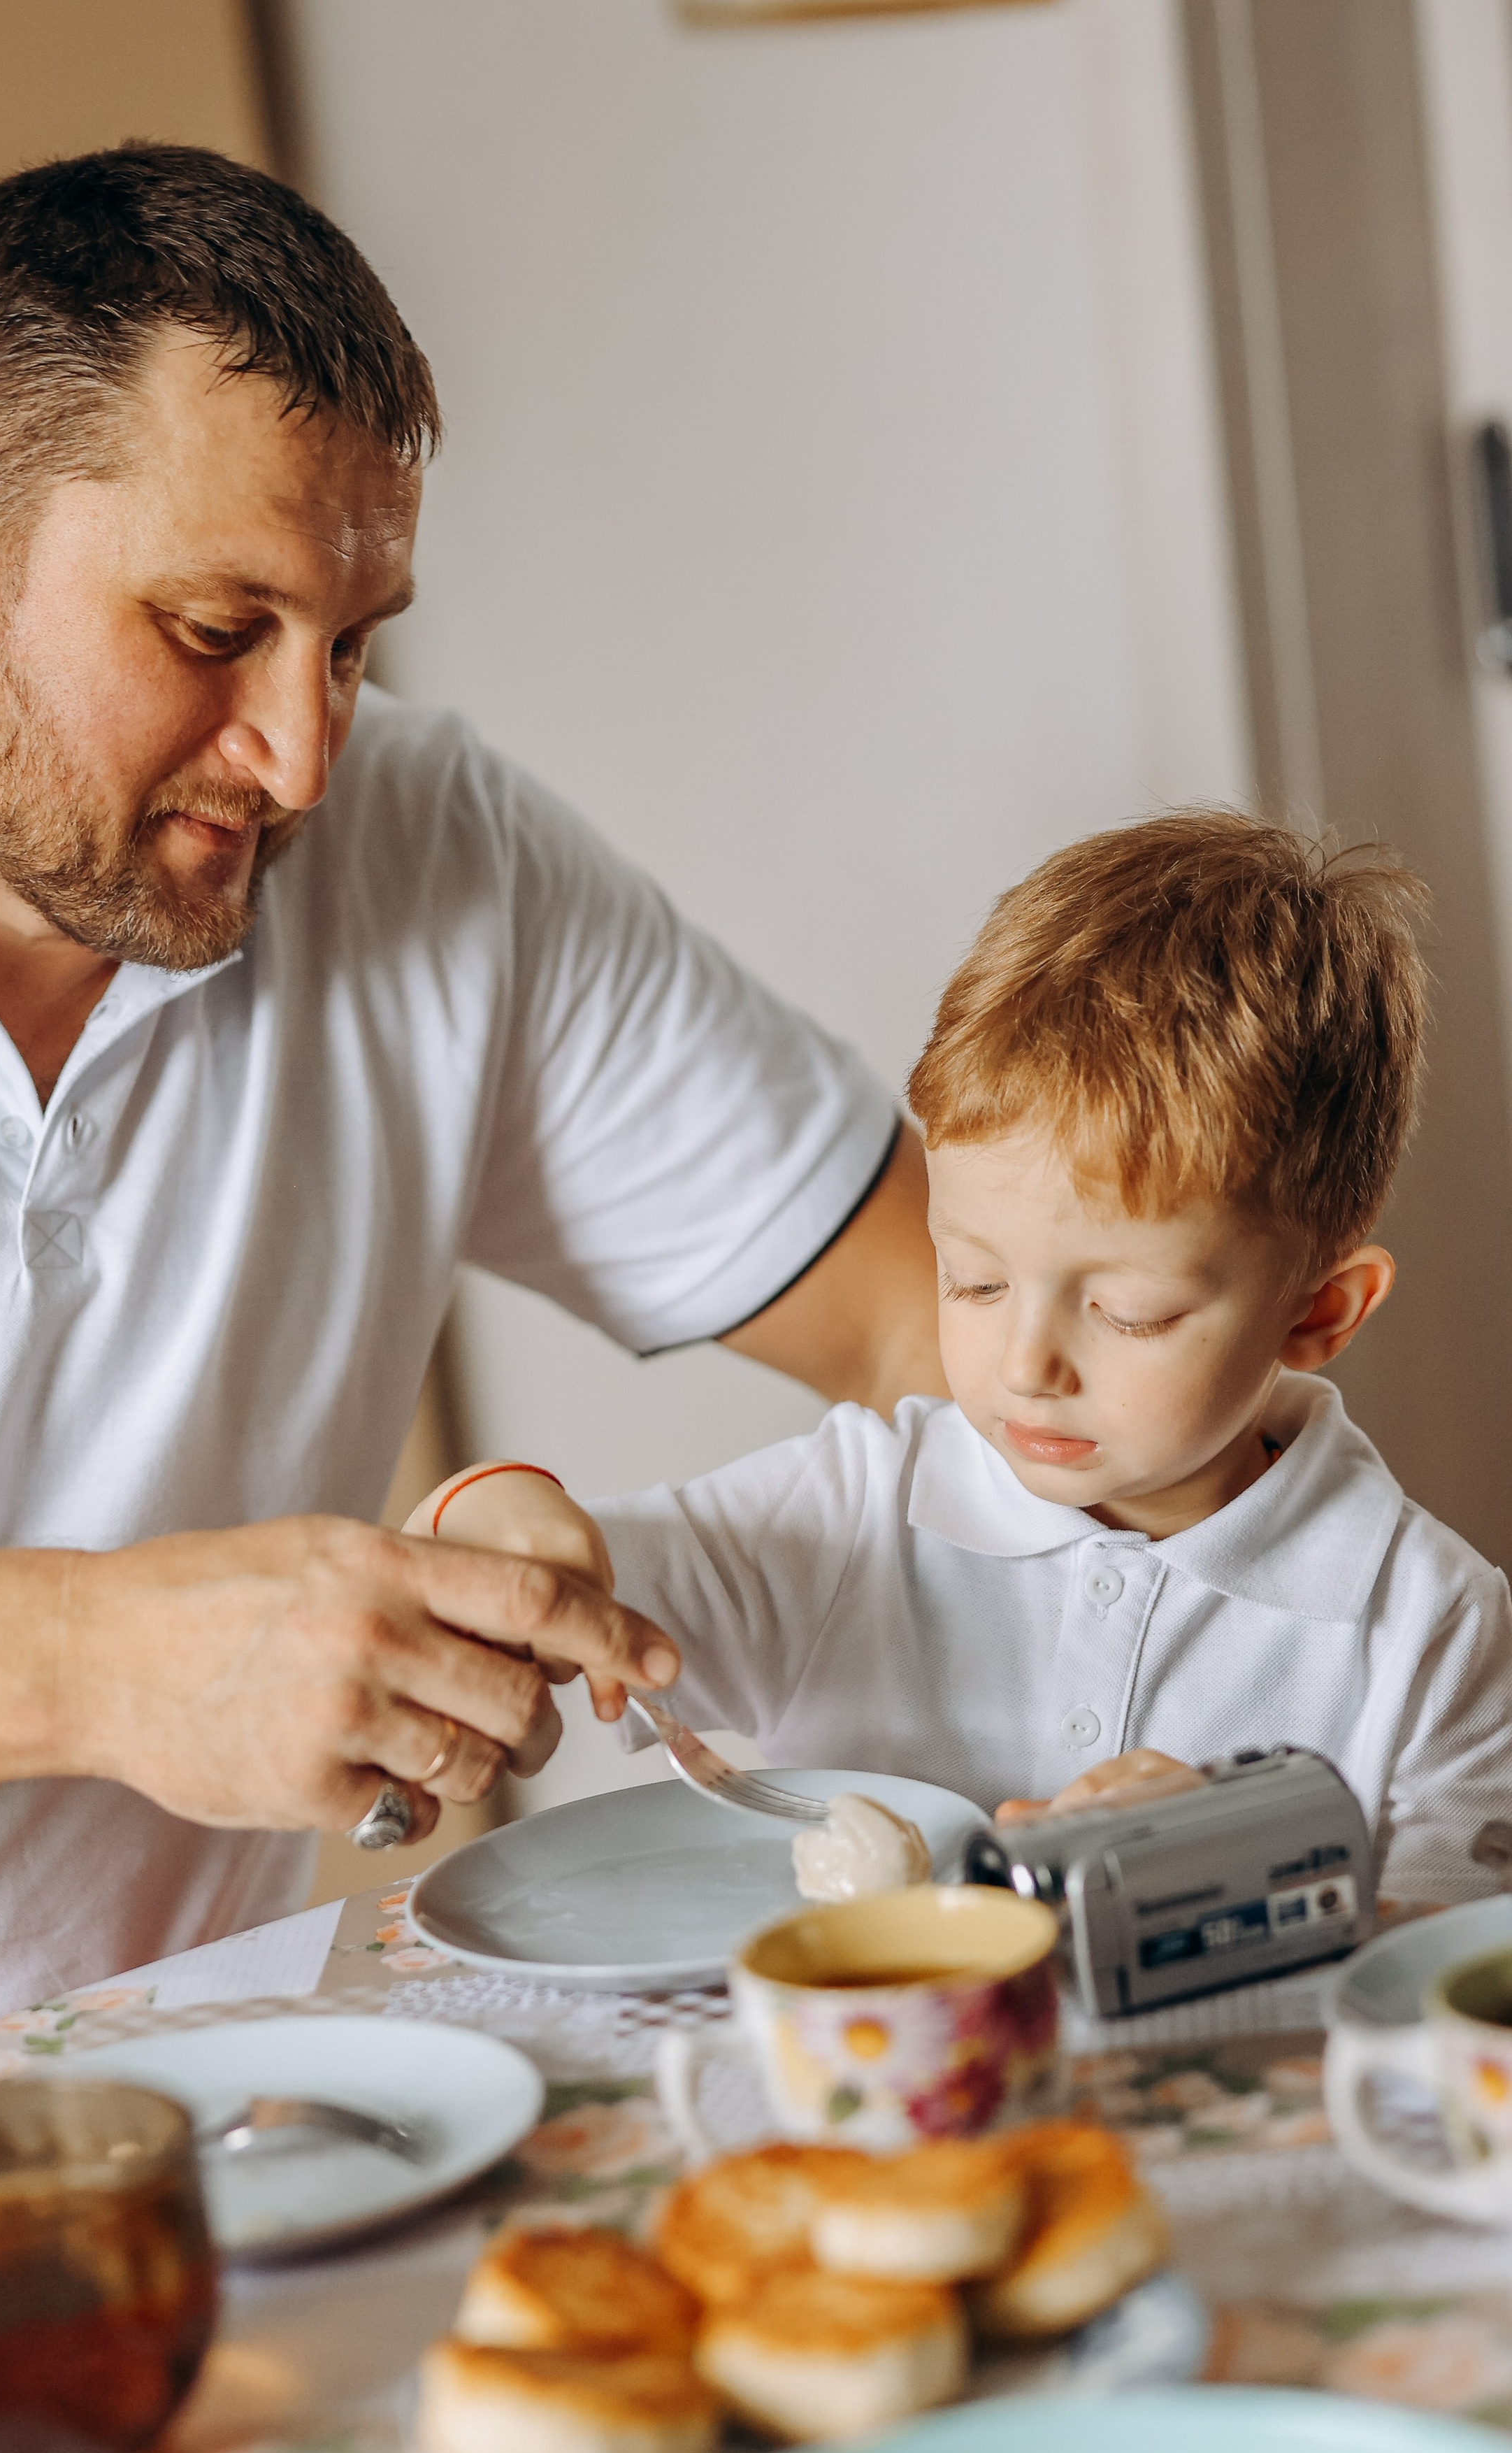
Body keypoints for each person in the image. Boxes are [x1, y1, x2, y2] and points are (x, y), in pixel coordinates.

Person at [0, 145, 944, 2112]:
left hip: (230, 2138)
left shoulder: (424, 849)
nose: (300, 757)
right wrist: (96, 1659)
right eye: (214, 631)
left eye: (354, 645)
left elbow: (948, 1329)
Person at [416, 813, 1512, 1905]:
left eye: (1128, 1313)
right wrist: (496, 1516)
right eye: (974, 1282)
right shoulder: (856, 1512)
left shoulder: (1430, 1630)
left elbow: (1453, 1990)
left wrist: (1235, 1869)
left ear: (1318, 1310)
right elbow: (567, 1575)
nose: (1027, 1363)